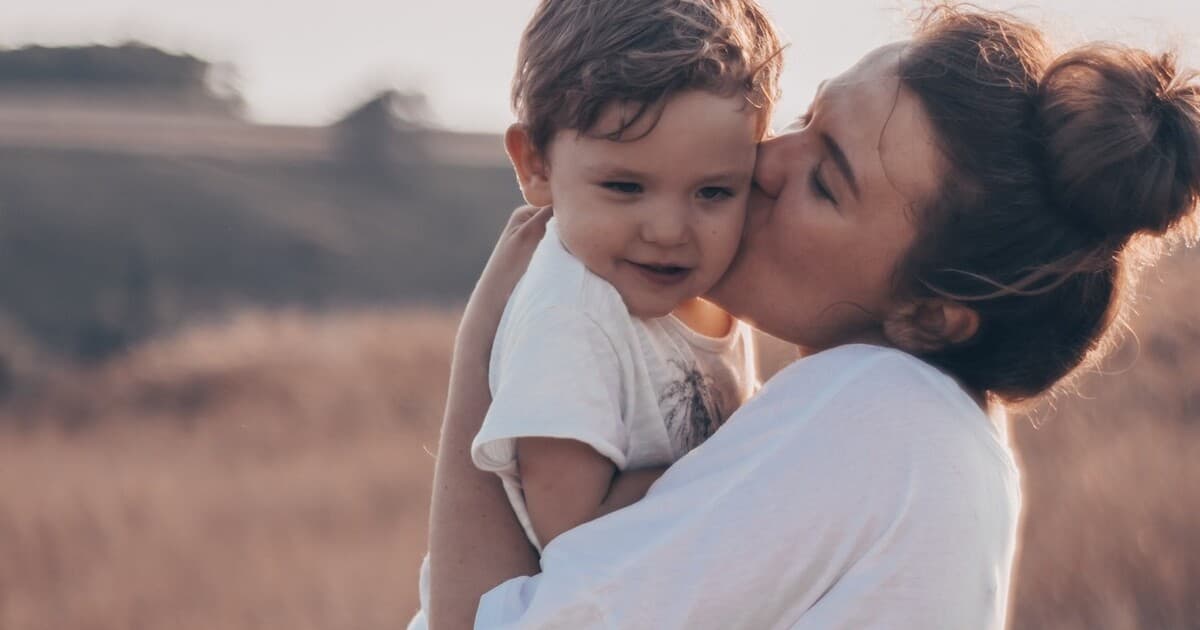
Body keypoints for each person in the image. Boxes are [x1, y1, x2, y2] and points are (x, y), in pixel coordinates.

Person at [427, 4, 1200, 629]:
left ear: (930, 316)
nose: (762, 162)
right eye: (804, 119)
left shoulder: (879, 416)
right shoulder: (915, 427)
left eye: (826, 180)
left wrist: (489, 334)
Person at [408, 1, 782, 628]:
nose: (668, 230)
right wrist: (749, 467)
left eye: (713, 191)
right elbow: (576, 534)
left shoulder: (711, 289)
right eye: (625, 187)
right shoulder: (571, 315)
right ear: (536, 166)